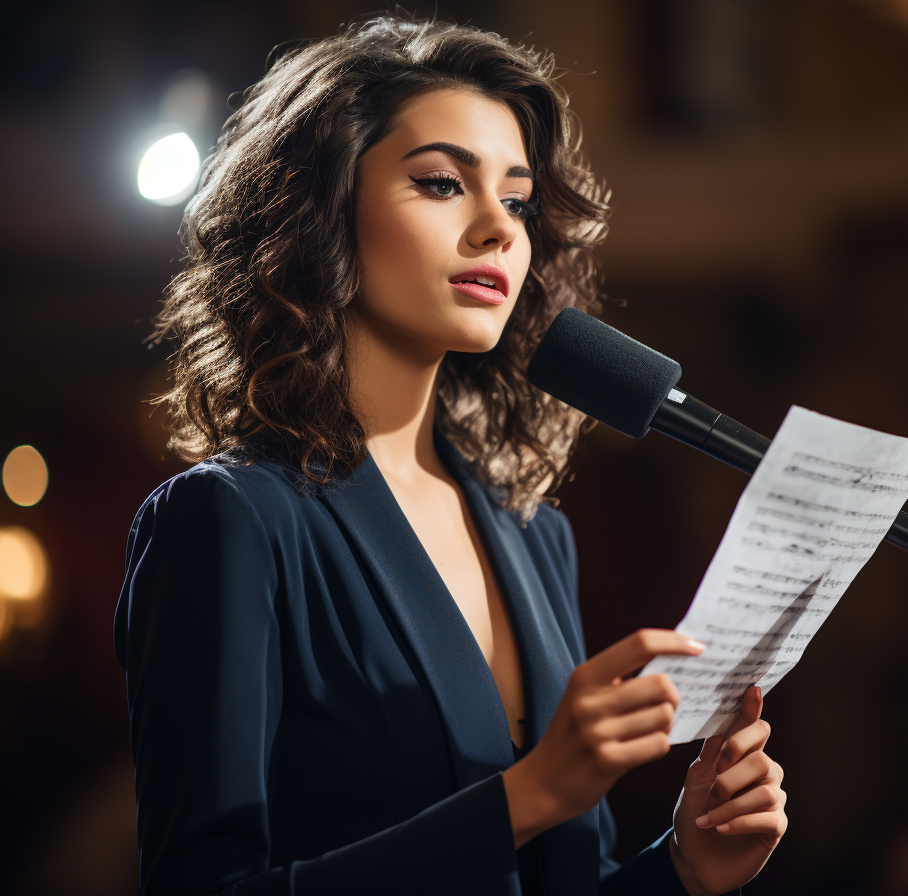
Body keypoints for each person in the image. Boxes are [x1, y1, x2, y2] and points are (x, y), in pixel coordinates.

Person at [114, 14, 787, 896]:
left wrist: (682, 869)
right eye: (440, 183)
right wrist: (530, 793)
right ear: (319, 210)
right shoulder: (232, 518)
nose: (497, 230)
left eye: (516, 200)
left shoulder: (533, 534)